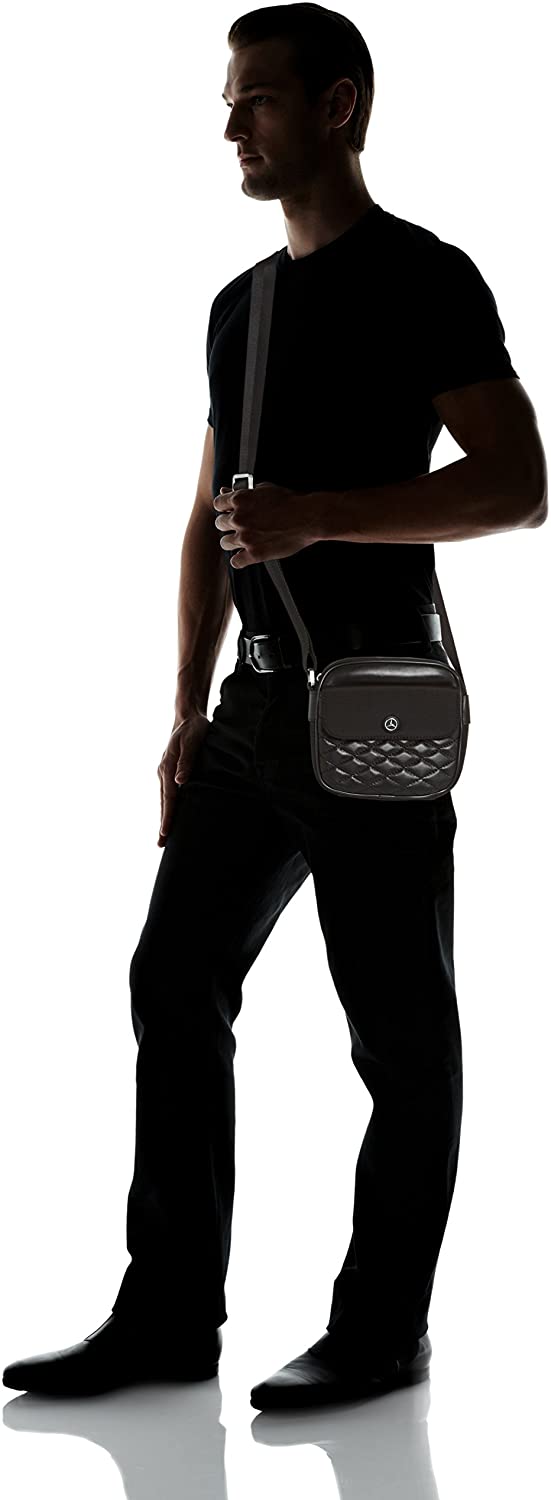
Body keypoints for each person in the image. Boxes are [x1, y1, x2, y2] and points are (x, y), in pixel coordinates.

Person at [3, 6, 546, 1406]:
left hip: (378, 701)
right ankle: (168, 1316)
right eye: (228, 102)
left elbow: (517, 485)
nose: (231, 125)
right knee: (171, 981)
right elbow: (208, 519)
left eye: (255, 99)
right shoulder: (239, 307)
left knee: (397, 1028)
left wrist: (325, 516)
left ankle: (384, 1330)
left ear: (338, 105)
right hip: (249, 715)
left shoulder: (425, 276)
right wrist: (183, 711)